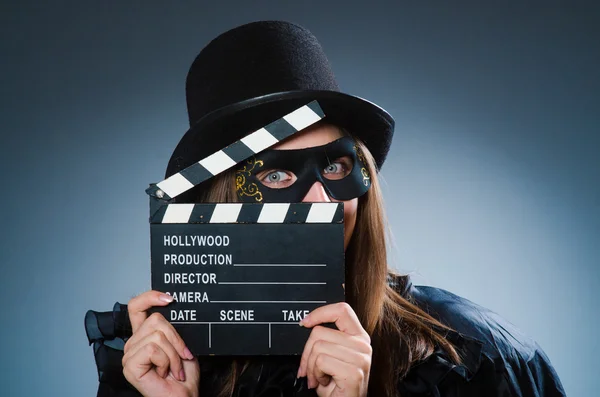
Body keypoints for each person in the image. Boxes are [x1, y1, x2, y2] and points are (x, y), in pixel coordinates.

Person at [85, 21, 566, 397]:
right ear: (223, 200)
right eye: (276, 176)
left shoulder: (476, 363)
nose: (323, 202)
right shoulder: (163, 364)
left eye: (336, 168)